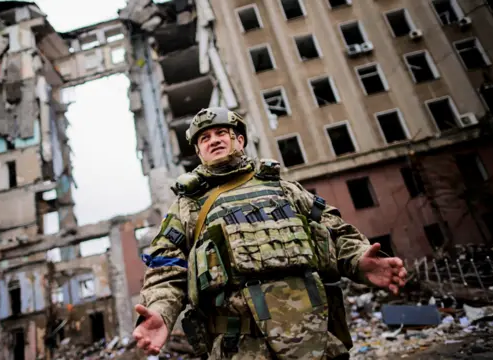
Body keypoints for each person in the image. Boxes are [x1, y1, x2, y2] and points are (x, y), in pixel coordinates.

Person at [132, 107, 407, 359]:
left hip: (314, 340)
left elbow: (334, 232)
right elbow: (166, 268)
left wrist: (360, 261)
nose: (213, 140)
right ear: (199, 152)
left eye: (221, 133)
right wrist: (160, 312)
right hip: (241, 347)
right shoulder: (187, 207)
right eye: (204, 138)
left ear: (239, 140)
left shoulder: (283, 189)